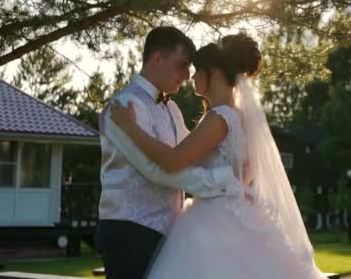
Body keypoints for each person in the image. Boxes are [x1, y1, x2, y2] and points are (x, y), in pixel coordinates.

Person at [110, 34, 326, 278]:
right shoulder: (242, 117)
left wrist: (131, 129)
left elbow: (171, 161)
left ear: (214, 73)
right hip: (238, 213)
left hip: (214, 218)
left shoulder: (219, 118)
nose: (192, 77)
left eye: (197, 70)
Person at [97, 26, 238, 279]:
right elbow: (156, 170)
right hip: (131, 231)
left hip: (171, 232)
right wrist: (223, 181)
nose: (186, 75)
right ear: (157, 59)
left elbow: (190, 158)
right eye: (181, 65)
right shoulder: (123, 106)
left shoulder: (172, 109)